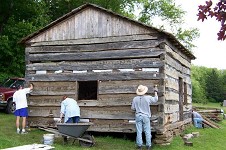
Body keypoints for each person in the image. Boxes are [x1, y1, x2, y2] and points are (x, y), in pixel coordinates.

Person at [131, 85, 158, 150]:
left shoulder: (135, 99)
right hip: (146, 116)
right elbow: (155, 99)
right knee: (147, 131)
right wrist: (155, 92)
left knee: (139, 131)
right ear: (144, 91)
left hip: (138, 116)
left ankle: (139, 146)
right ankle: (148, 146)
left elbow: (133, 108)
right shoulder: (148, 98)